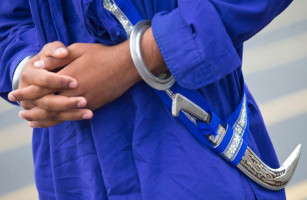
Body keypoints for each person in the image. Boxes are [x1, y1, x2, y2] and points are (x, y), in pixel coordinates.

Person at [0, 0, 292, 199]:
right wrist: (27, 67)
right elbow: (10, 19)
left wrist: (142, 56)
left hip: (191, 158)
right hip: (73, 173)